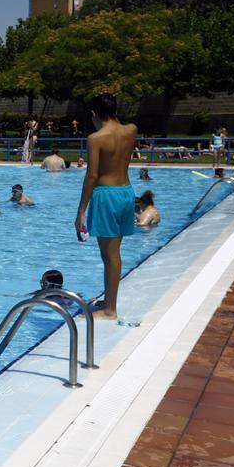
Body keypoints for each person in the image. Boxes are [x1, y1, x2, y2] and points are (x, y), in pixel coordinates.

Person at [75, 93, 137, 320]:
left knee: (109, 255)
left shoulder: (96, 138)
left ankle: (110, 309)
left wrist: (81, 210)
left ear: (94, 114)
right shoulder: (131, 129)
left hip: (106, 195)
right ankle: (109, 300)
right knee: (113, 252)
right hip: (126, 192)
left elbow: (92, 175)